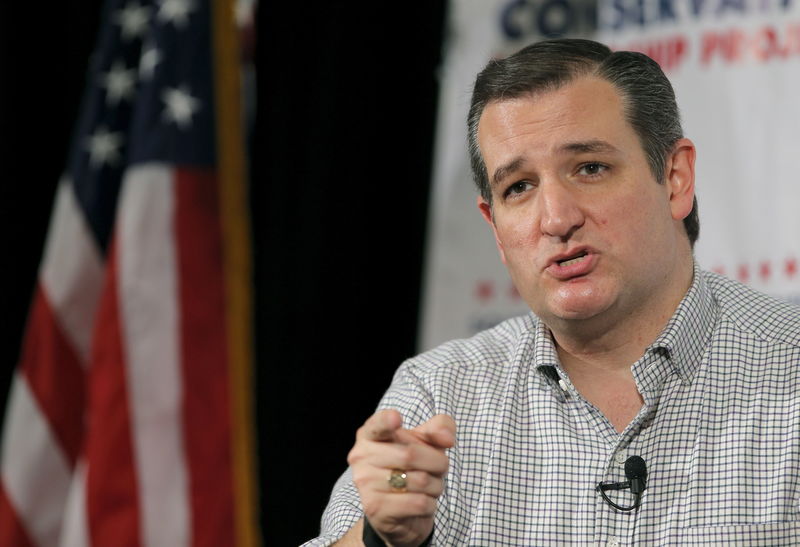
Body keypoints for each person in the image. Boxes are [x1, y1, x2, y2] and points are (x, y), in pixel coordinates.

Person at [303, 38, 800, 546]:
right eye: (518, 187)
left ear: (675, 179)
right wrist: (381, 538)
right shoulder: (438, 394)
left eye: (590, 168)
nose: (557, 219)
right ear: (495, 227)